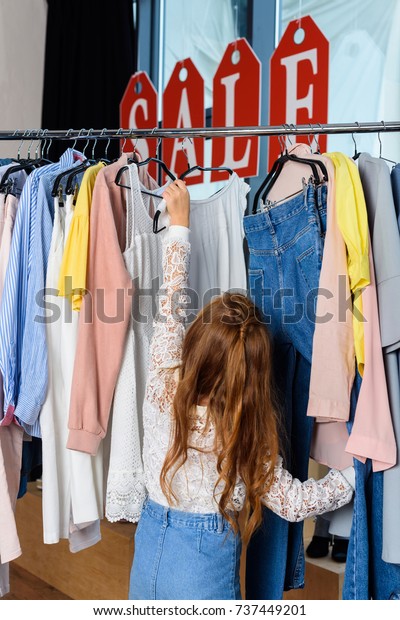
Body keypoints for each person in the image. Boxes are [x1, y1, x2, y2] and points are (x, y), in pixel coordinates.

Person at [129, 180, 355, 601]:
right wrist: (357, 471)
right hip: (203, 573)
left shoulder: (165, 377)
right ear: (252, 378)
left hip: (149, 555)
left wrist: (179, 225)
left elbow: (171, 299)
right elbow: (295, 503)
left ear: (194, 345)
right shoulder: (242, 436)